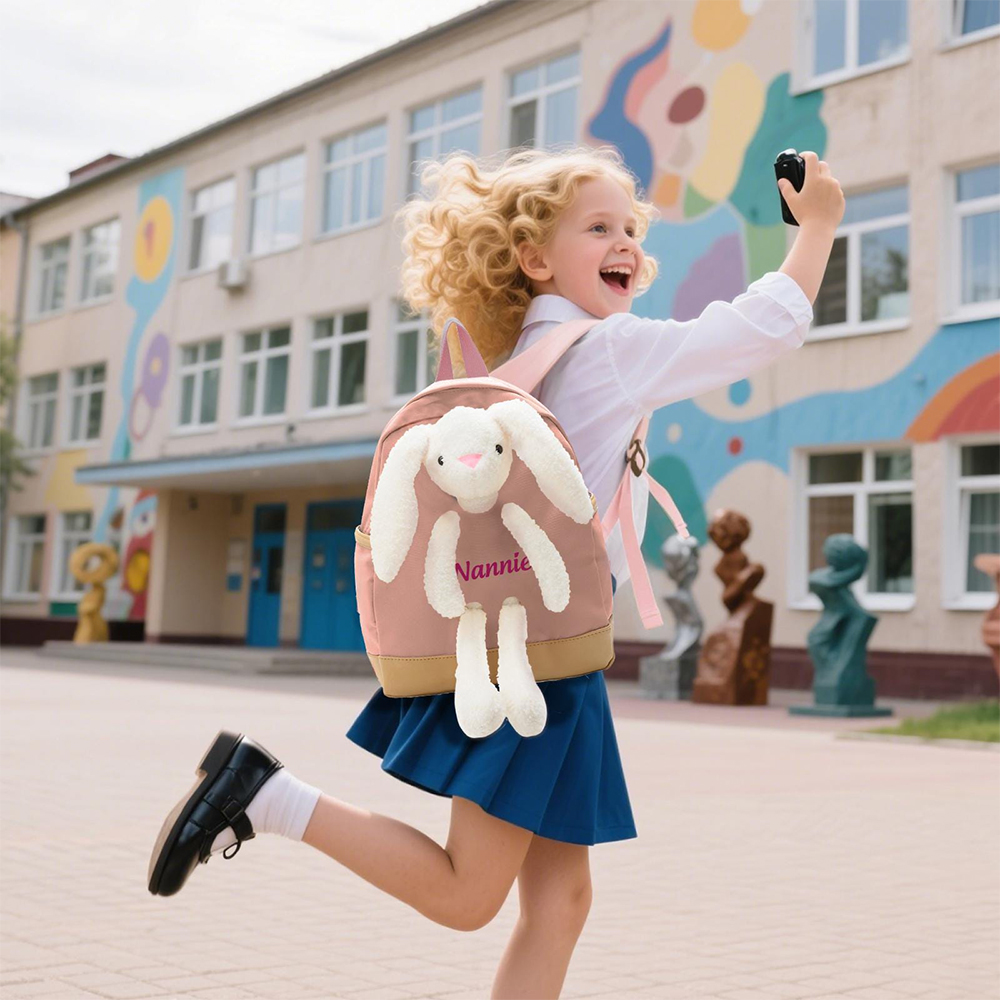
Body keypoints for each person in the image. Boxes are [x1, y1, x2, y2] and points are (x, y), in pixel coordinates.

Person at [148, 144, 843, 999]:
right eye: (598, 227)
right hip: (532, 664)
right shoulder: (610, 349)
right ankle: (266, 794)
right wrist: (817, 229)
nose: (625, 242)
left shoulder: (517, 365)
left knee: (562, 899)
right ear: (534, 258)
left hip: (525, 651)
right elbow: (761, 329)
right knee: (467, 894)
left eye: (630, 228)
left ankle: (268, 794)